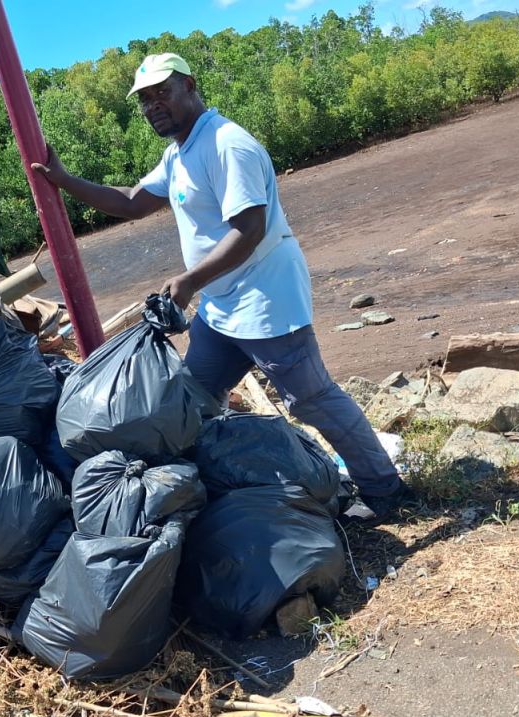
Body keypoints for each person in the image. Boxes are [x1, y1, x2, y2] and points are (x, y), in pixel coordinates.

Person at [32, 52, 409, 522]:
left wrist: (189, 282)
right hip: (221, 306)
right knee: (192, 402)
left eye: (161, 93)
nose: (153, 106)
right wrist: (64, 180)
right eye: (145, 100)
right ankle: (209, 491)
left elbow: (248, 229)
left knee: (314, 400)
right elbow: (130, 202)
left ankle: (386, 490)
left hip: (266, 298)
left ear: (189, 85)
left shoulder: (227, 144)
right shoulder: (179, 153)